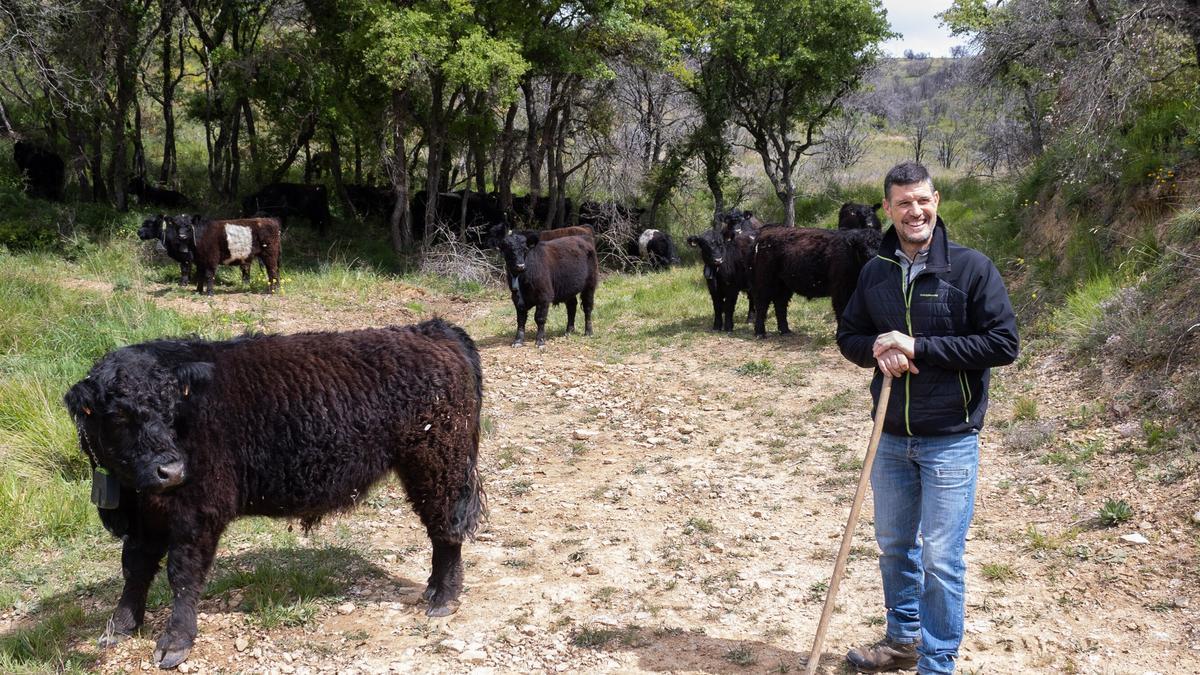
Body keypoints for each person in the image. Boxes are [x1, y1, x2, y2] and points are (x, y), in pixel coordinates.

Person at [835, 161, 1019, 674]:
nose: (914, 211)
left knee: (941, 560)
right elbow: (848, 335)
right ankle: (902, 642)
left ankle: (936, 665)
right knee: (895, 547)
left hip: (950, 439)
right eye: (902, 203)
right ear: (888, 210)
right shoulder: (875, 271)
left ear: (936, 201)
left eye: (922, 201)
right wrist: (876, 347)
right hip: (890, 437)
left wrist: (918, 346)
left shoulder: (971, 268)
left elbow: (1003, 343)